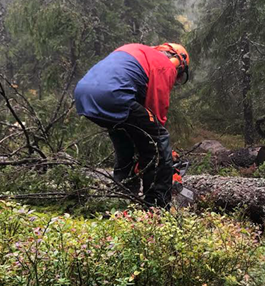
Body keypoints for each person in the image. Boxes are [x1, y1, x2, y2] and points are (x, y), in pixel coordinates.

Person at [74, 42, 190, 208]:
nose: (176, 78)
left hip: (84, 95)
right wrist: (163, 152)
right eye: (179, 75)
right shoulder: (163, 64)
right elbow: (156, 109)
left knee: (125, 144)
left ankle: (123, 200)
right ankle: (157, 205)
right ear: (178, 61)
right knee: (158, 140)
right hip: (114, 95)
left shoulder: (137, 51)